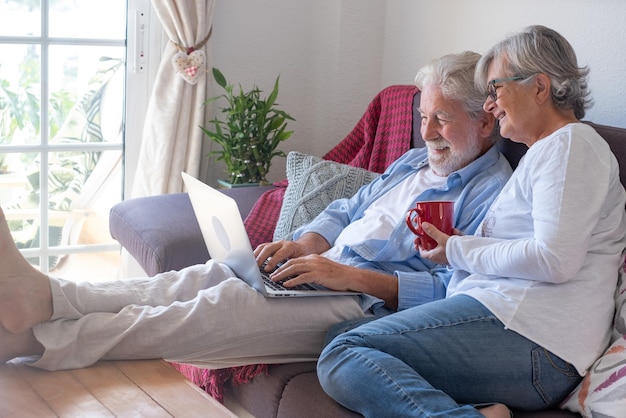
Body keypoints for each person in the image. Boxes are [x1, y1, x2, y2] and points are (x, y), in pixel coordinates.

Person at [0, 51, 512, 373]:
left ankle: (30, 340)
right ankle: (45, 295)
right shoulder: (413, 161)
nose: (425, 134)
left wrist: (344, 274)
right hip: (322, 270)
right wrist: (309, 243)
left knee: (211, 309)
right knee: (190, 280)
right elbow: (347, 205)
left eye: (441, 120)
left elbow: (452, 291)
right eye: (423, 117)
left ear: (485, 122)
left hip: (364, 304)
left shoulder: (493, 193)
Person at [317, 25, 626, 418]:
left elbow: (555, 259)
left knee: (343, 354)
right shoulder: (546, 153)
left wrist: (459, 249)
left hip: (534, 340)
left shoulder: (570, 145)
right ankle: (479, 411)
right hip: (514, 330)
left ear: (540, 87)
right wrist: (459, 250)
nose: (491, 106)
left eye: (496, 89)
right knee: (339, 337)